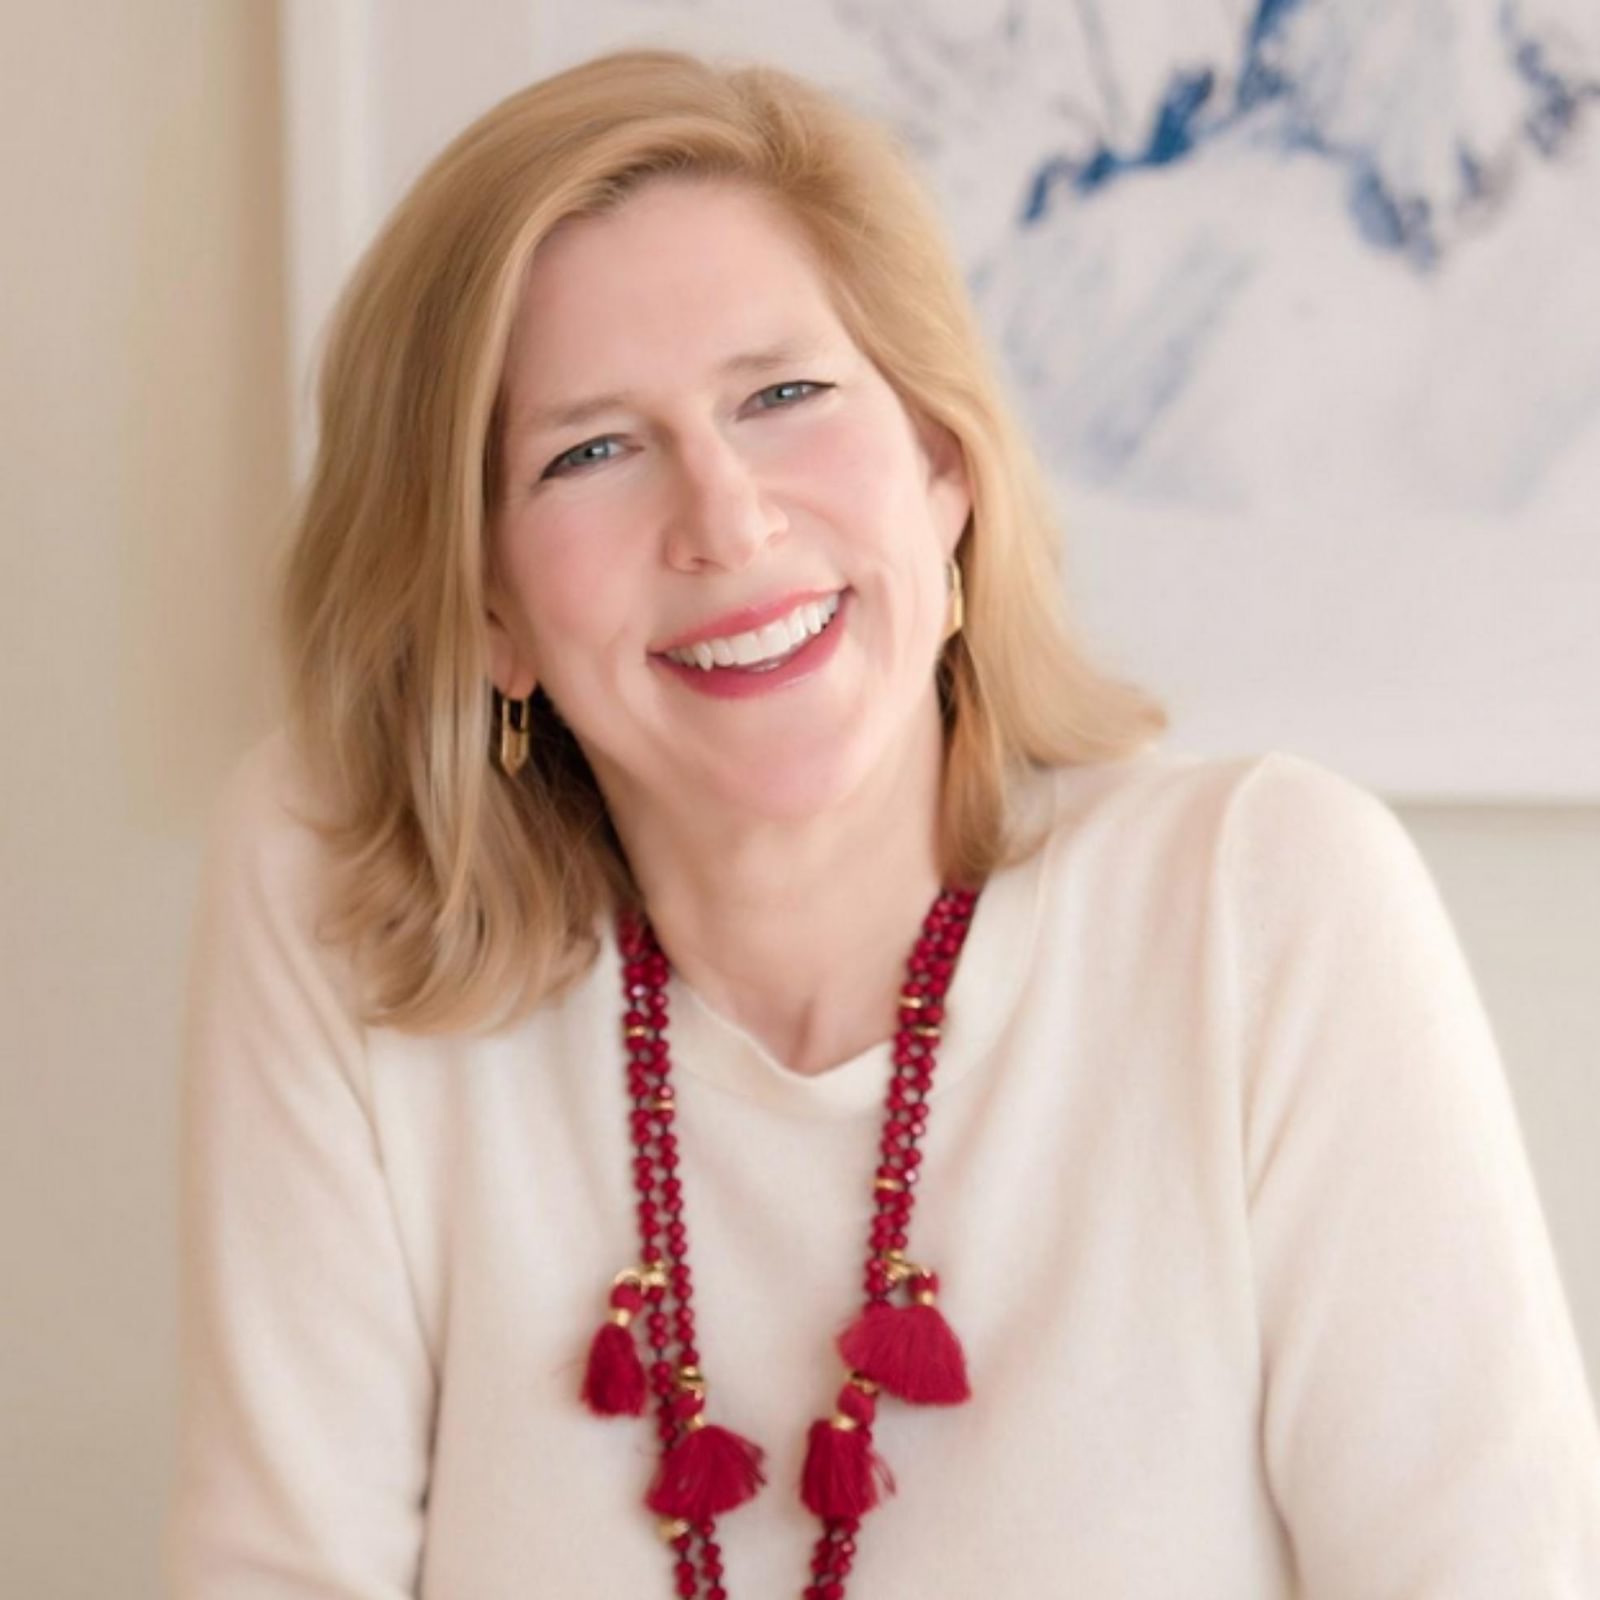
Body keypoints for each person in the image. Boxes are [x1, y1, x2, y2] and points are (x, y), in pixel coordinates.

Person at [165, 47, 1600, 1600]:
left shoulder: (1265, 903)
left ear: (942, 466)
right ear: (487, 608)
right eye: (591, 449)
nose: (725, 518)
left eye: (783, 395)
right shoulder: (347, 895)